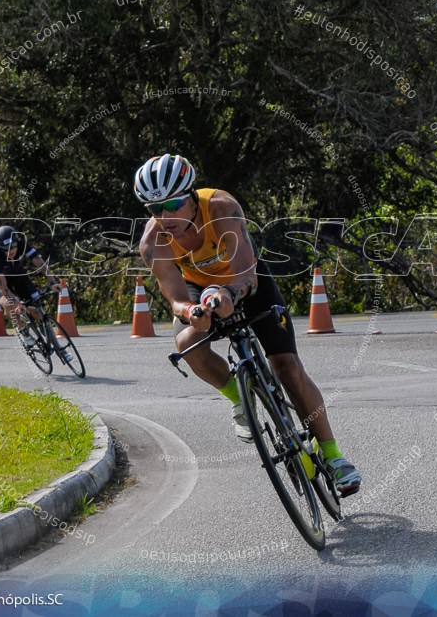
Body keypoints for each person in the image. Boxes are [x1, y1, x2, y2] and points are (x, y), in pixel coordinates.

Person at [134, 154, 361, 495]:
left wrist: (228, 294)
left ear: (191, 196)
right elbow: (176, 298)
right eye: (154, 209)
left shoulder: (222, 207)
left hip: (245, 280)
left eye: (173, 203)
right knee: (186, 344)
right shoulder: (153, 244)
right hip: (200, 287)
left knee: (287, 367)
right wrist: (190, 312)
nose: (165, 217)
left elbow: (245, 274)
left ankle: (333, 455)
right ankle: (239, 397)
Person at [0, 225, 62, 344]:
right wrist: (17, 304)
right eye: (6, 248)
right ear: (0, 247)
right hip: (1, 281)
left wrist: (52, 281)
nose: (10, 251)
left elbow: (39, 263)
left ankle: (58, 347)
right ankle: (22, 331)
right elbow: (3, 288)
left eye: (13, 246)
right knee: (8, 304)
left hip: (18, 275)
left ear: (17, 242)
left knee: (37, 310)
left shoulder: (22, 245)